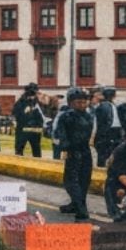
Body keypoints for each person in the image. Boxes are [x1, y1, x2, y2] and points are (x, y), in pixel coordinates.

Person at [55, 88, 95, 221]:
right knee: (78, 181)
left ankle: (81, 209)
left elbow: (62, 135)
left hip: (79, 151)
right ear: (71, 103)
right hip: (76, 151)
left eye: (84, 102)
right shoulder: (80, 116)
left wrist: (64, 146)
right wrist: (65, 148)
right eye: (79, 102)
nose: (82, 105)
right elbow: (62, 134)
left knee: (75, 181)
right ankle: (76, 205)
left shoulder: (73, 116)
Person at [12, 84, 45, 158]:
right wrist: (24, 112)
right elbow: (15, 114)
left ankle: (37, 163)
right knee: (19, 150)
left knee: (36, 150)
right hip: (23, 129)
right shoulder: (20, 102)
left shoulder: (37, 102)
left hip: (34, 130)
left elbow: (42, 116)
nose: (33, 96)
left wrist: (39, 125)